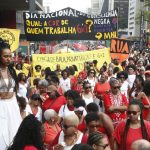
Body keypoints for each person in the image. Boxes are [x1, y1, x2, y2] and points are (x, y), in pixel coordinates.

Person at [0, 38, 22, 150]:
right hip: (1, 106)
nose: (9, 59)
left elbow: (15, 89)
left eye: (10, 56)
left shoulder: (12, 70)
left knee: (14, 134)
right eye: (5, 56)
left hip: (12, 105)